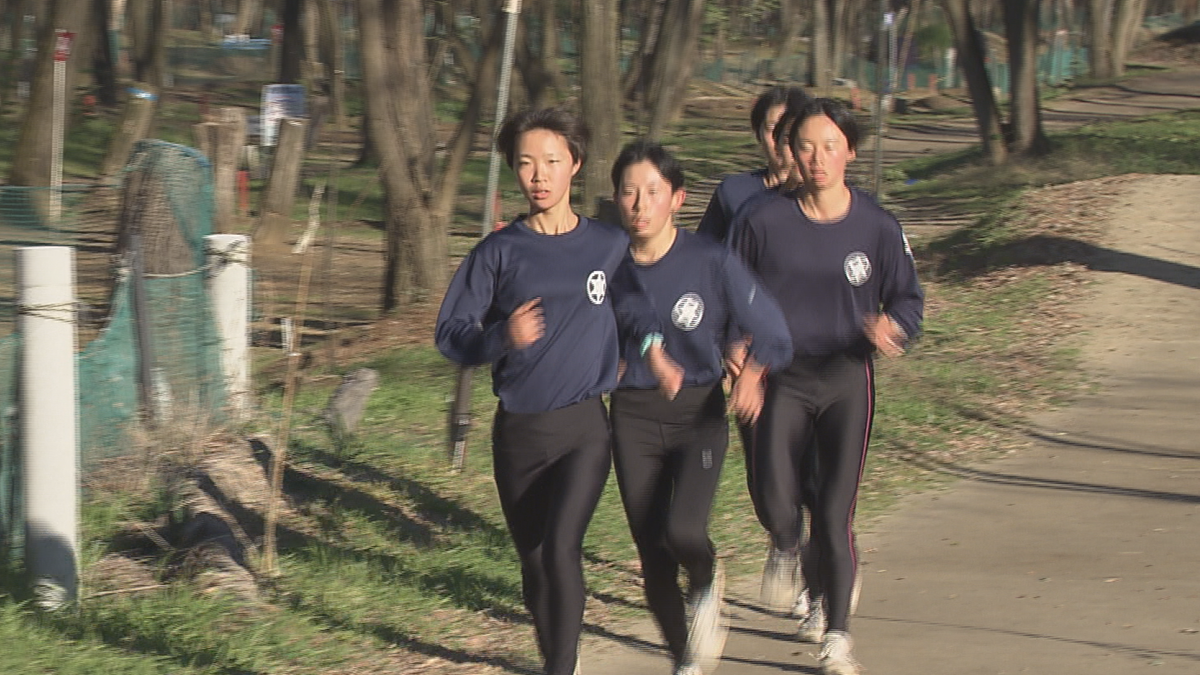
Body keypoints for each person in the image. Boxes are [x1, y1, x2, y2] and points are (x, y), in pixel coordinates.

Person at [435, 108, 682, 675]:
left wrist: (651, 349)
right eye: (525, 164)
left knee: (559, 547)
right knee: (533, 561)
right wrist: (503, 335)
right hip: (518, 431)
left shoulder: (606, 245)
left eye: (551, 162)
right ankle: (557, 657)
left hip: (583, 429)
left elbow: (634, 305)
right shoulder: (497, 254)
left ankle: (561, 669)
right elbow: (451, 335)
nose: (538, 176)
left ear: (575, 164)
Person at [731, 98, 924, 675]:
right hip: (780, 375)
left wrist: (893, 327)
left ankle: (837, 637)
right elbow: (729, 293)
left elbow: (909, 299)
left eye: (830, 146)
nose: (817, 159)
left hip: (846, 377)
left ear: (851, 152)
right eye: (806, 147)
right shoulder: (761, 221)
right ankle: (787, 547)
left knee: (835, 515)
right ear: (791, 151)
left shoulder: (878, 226)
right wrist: (740, 357)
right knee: (775, 497)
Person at [608, 140, 793, 675]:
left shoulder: (710, 260)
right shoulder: (607, 263)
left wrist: (753, 371)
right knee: (653, 558)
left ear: (678, 199)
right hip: (631, 416)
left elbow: (775, 332)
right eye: (628, 193)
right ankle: (685, 660)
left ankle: (708, 584)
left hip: (697, 416)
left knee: (684, 531)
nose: (639, 205)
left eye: (652, 193)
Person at [695, 85, 808, 243]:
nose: (780, 139)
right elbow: (703, 251)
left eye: (789, 132)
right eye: (772, 129)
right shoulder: (734, 192)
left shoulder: (821, 194)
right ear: (758, 134)